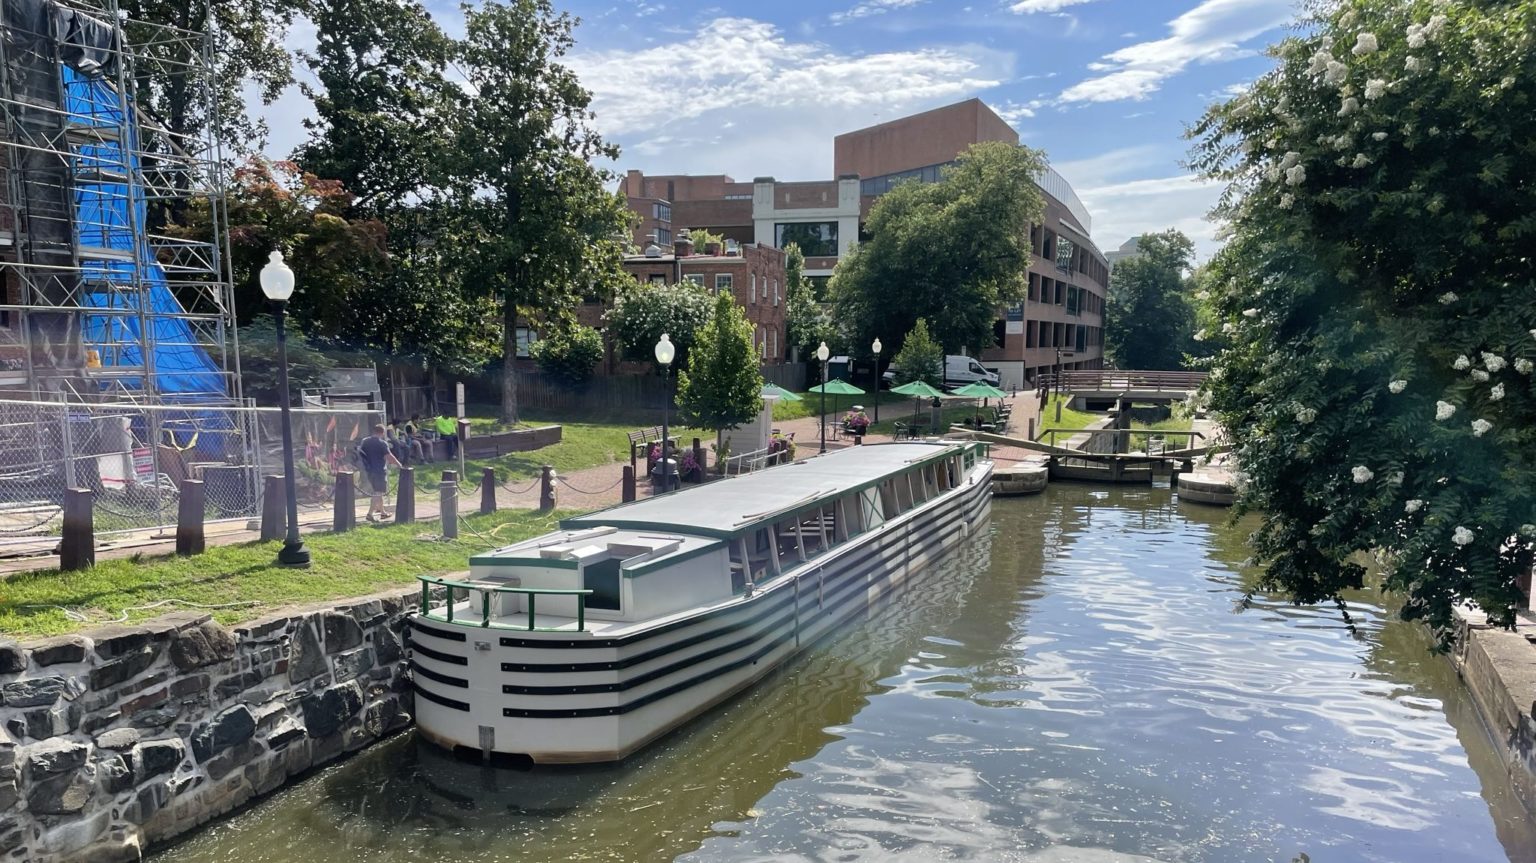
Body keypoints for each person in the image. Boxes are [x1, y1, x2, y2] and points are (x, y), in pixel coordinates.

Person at [357, 423, 401, 523]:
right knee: (377, 492)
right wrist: (399, 465)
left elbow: (360, 453)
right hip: (379, 471)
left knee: (378, 491)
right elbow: (389, 457)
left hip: (368, 470)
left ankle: (383, 512)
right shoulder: (382, 443)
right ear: (382, 432)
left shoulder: (365, 441)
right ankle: (370, 514)